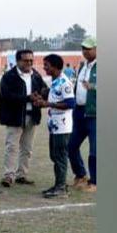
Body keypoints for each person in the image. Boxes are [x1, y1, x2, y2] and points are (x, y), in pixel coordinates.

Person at [0, 49, 45, 187]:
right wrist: (27, 98)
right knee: (11, 147)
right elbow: (7, 96)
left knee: (27, 148)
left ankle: (22, 175)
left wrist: (41, 96)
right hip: (15, 116)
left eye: (31, 60)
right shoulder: (9, 76)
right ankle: (8, 175)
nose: (29, 63)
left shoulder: (36, 75)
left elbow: (44, 89)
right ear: (18, 61)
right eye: (26, 60)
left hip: (32, 116)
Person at [36, 54, 76, 197]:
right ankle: (58, 184)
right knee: (55, 155)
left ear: (54, 66)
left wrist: (48, 104)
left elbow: (71, 103)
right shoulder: (54, 82)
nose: (44, 68)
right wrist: (42, 101)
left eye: (46, 65)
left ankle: (61, 188)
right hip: (54, 126)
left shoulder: (64, 82)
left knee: (60, 156)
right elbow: (53, 100)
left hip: (62, 127)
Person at [69, 37, 97, 192]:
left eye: (89, 48)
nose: (85, 51)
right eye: (83, 48)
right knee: (71, 146)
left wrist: (93, 86)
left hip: (94, 114)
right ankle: (80, 175)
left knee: (95, 149)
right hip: (79, 112)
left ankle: (95, 181)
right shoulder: (82, 66)